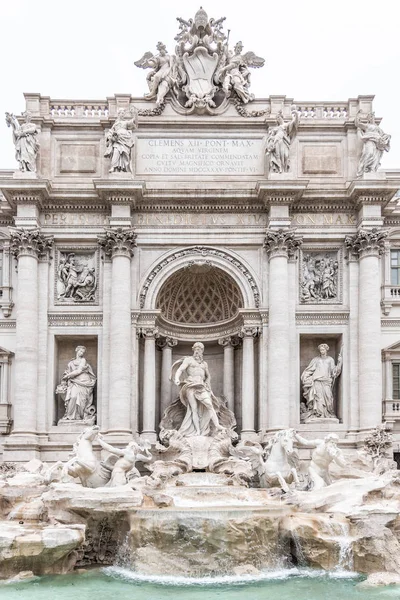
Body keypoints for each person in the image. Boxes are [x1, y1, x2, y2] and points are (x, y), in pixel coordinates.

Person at [171, 342, 225, 437]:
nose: (197, 351)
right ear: (193, 350)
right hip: (190, 385)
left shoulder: (204, 364)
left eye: (199, 349)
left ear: (202, 351)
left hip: (201, 386)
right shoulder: (188, 360)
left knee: (209, 404)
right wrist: (176, 378)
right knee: (193, 409)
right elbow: (180, 369)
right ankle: (197, 431)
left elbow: (208, 376)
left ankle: (217, 425)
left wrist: (208, 382)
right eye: (195, 349)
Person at [301, 343, 342, 421]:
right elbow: (309, 370)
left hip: (326, 381)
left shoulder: (330, 359)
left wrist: (339, 363)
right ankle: (318, 415)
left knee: (328, 398)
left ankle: (328, 413)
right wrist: (306, 377)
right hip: (317, 381)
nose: (321, 351)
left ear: (326, 350)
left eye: (323, 349)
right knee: (318, 398)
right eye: (320, 350)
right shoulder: (316, 360)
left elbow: (334, 372)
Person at [59, 346, 96, 421]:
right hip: (74, 382)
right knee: (73, 397)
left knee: (82, 400)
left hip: (84, 382)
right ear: (77, 351)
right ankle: (70, 416)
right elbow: (67, 372)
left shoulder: (83, 360)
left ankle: (79, 416)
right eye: (80, 351)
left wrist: (67, 376)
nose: (81, 353)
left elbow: (79, 371)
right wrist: (65, 379)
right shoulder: (71, 363)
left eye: (83, 352)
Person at [355, 110, 391, 177]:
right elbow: (357, 124)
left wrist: (387, 137)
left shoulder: (378, 128)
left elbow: (384, 135)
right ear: (368, 119)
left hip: (377, 143)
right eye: (370, 117)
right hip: (370, 141)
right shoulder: (367, 126)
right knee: (369, 153)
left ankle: (371, 169)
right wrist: (357, 115)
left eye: (372, 116)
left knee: (375, 157)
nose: (371, 118)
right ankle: (365, 168)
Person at [104, 108, 138, 173]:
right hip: (117, 140)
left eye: (123, 113)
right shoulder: (115, 124)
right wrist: (110, 137)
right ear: (118, 114)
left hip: (125, 140)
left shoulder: (126, 122)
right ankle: (113, 167)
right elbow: (110, 132)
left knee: (125, 153)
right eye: (121, 113)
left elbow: (133, 122)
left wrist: (135, 114)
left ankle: (124, 167)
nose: (123, 115)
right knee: (116, 152)